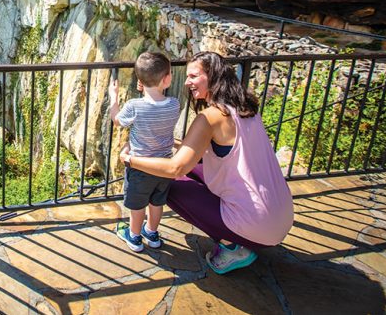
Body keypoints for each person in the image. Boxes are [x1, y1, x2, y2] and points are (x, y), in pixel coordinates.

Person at [120, 51, 293, 274]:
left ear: (212, 76)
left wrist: (130, 160)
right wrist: (173, 144)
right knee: (189, 172)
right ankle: (234, 234)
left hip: (258, 226)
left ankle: (232, 246)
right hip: (281, 214)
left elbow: (175, 168)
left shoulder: (210, 117)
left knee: (165, 183)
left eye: (194, 76)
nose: (188, 82)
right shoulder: (245, 107)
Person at [109, 52, 181, 252]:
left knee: (137, 205)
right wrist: (148, 90)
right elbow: (156, 106)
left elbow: (117, 121)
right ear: (166, 79)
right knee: (157, 203)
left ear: (140, 81)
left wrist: (113, 98)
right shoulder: (175, 104)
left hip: (139, 166)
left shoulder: (134, 106)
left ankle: (134, 237)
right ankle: (151, 232)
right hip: (164, 166)